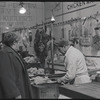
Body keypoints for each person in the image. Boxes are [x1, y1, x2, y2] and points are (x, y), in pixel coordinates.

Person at [0, 32, 34, 99]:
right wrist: (15, 93)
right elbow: (5, 75)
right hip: (15, 93)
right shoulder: (4, 53)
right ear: (14, 42)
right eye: (19, 42)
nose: (20, 44)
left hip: (20, 87)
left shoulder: (11, 51)